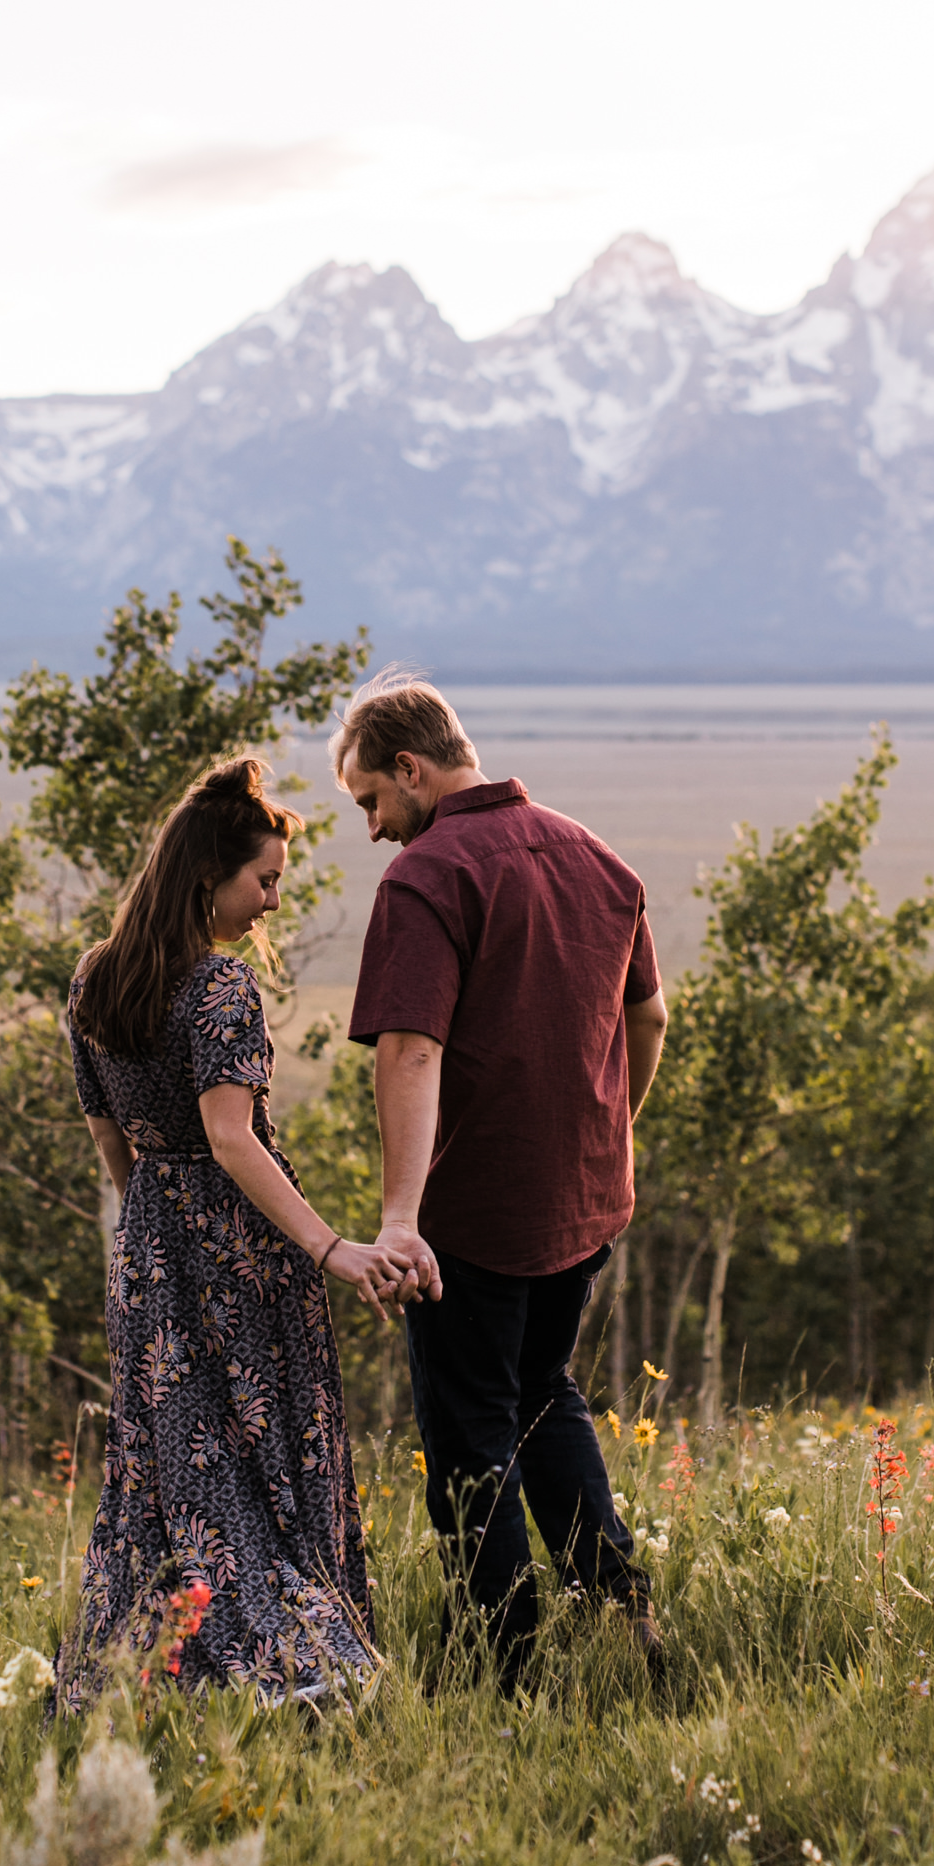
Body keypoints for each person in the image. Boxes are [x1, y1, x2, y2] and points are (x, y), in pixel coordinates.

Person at [333, 675, 670, 1689]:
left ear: (411, 768)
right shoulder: (596, 857)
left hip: (471, 1215)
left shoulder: (429, 876)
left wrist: (400, 1220)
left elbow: (410, 1052)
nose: (372, 828)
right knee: (542, 1393)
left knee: (470, 1424)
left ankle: (504, 1660)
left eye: (369, 802)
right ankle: (620, 1617)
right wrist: (607, 1135)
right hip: (582, 1198)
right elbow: (647, 1020)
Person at [58, 755, 398, 1705]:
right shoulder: (218, 989)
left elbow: (112, 1141)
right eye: (266, 882)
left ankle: (150, 1666)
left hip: (150, 1256)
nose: (271, 904)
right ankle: (295, 1665)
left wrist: (151, 1233)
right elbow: (231, 1139)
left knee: (164, 1468)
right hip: (239, 1259)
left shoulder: (93, 980)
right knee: (262, 1460)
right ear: (211, 877)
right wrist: (329, 1247)